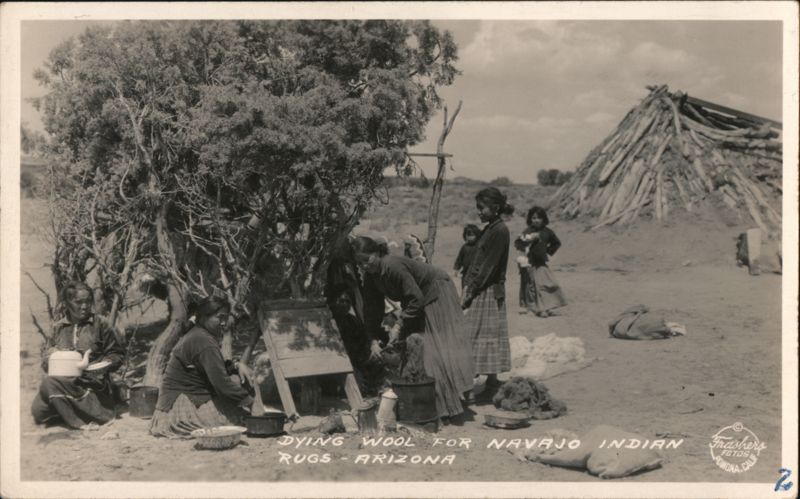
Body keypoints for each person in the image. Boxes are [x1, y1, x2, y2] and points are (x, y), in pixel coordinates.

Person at [352, 236, 474, 420]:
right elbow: (372, 311)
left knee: (436, 347)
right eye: (359, 263)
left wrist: (399, 324)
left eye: (367, 260)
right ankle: (430, 401)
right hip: (418, 300)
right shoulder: (371, 277)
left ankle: (449, 401)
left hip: (436, 291)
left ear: (376, 253)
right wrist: (373, 340)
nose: (364, 266)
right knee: (416, 348)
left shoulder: (392, 265)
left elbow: (415, 298)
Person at [150, 296, 253, 438]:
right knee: (238, 422)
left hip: (175, 403)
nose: (223, 323)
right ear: (204, 317)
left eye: (226, 318)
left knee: (237, 380)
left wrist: (237, 365)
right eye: (219, 318)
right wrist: (252, 403)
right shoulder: (202, 340)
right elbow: (222, 384)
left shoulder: (200, 334)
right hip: (179, 409)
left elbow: (215, 367)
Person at [31, 282, 126, 430]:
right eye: (78, 302)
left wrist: (100, 367)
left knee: (49, 385)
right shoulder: (58, 328)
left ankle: (80, 421)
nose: (84, 306)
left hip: (92, 385)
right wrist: (51, 356)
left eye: (88, 301)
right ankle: (73, 410)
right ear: (66, 303)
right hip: (63, 382)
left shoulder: (100, 324)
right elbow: (46, 364)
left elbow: (117, 355)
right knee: (38, 412)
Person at [462, 187, 514, 395]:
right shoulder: (491, 229)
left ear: (495, 207)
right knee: (487, 333)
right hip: (482, 287)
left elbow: (488, 266)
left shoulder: (499, 231)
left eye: (481, 208)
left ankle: (478, 383)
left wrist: (470, 290)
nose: (479, 212)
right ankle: (491, 381)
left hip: (488, 290)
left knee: (480, 334)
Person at [516, 206, 566, 317]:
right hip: (529, 263)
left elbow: (556, 243)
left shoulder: (547, 232)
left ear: (544, 219)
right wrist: (526, 242)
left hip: (541, 263)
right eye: (533, 218)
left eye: (539, 218)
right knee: (531, 286)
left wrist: (547, 251)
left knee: (548, 284)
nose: (536, 220)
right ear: (530, 219)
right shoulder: (528, 231)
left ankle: (547, 307)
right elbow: (518, 244)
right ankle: (534, 309)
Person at [453, 224, 481, 291]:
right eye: (468, 235)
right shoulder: (464, 247)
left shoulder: (479, 247)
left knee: (474, 289)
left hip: (476, 273)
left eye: (472, 235)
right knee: (464, 288)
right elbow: (459, 259)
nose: (470, 237)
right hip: (465, 273)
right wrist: (456, 269)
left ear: (477, 235)